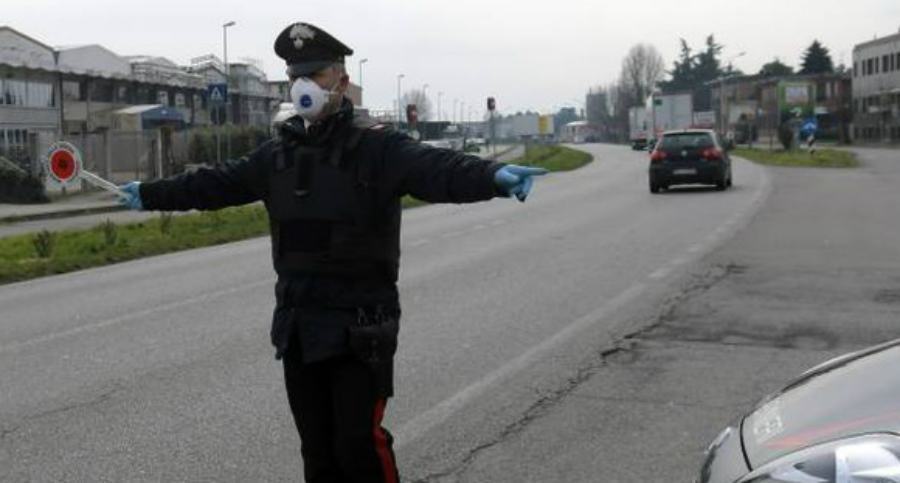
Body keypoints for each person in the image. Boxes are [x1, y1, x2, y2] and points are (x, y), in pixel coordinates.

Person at [118, 21, 547, 483]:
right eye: (295, 76)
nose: (304, 85)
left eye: (315, 74)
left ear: (341, 81)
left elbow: (437, 168)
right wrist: (151, 193)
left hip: (359, 328)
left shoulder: (378, 147)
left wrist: (491, 177)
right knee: (318, 453)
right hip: (299, 328)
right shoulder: (276, 156)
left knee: (359, 447)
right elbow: (213, 184)